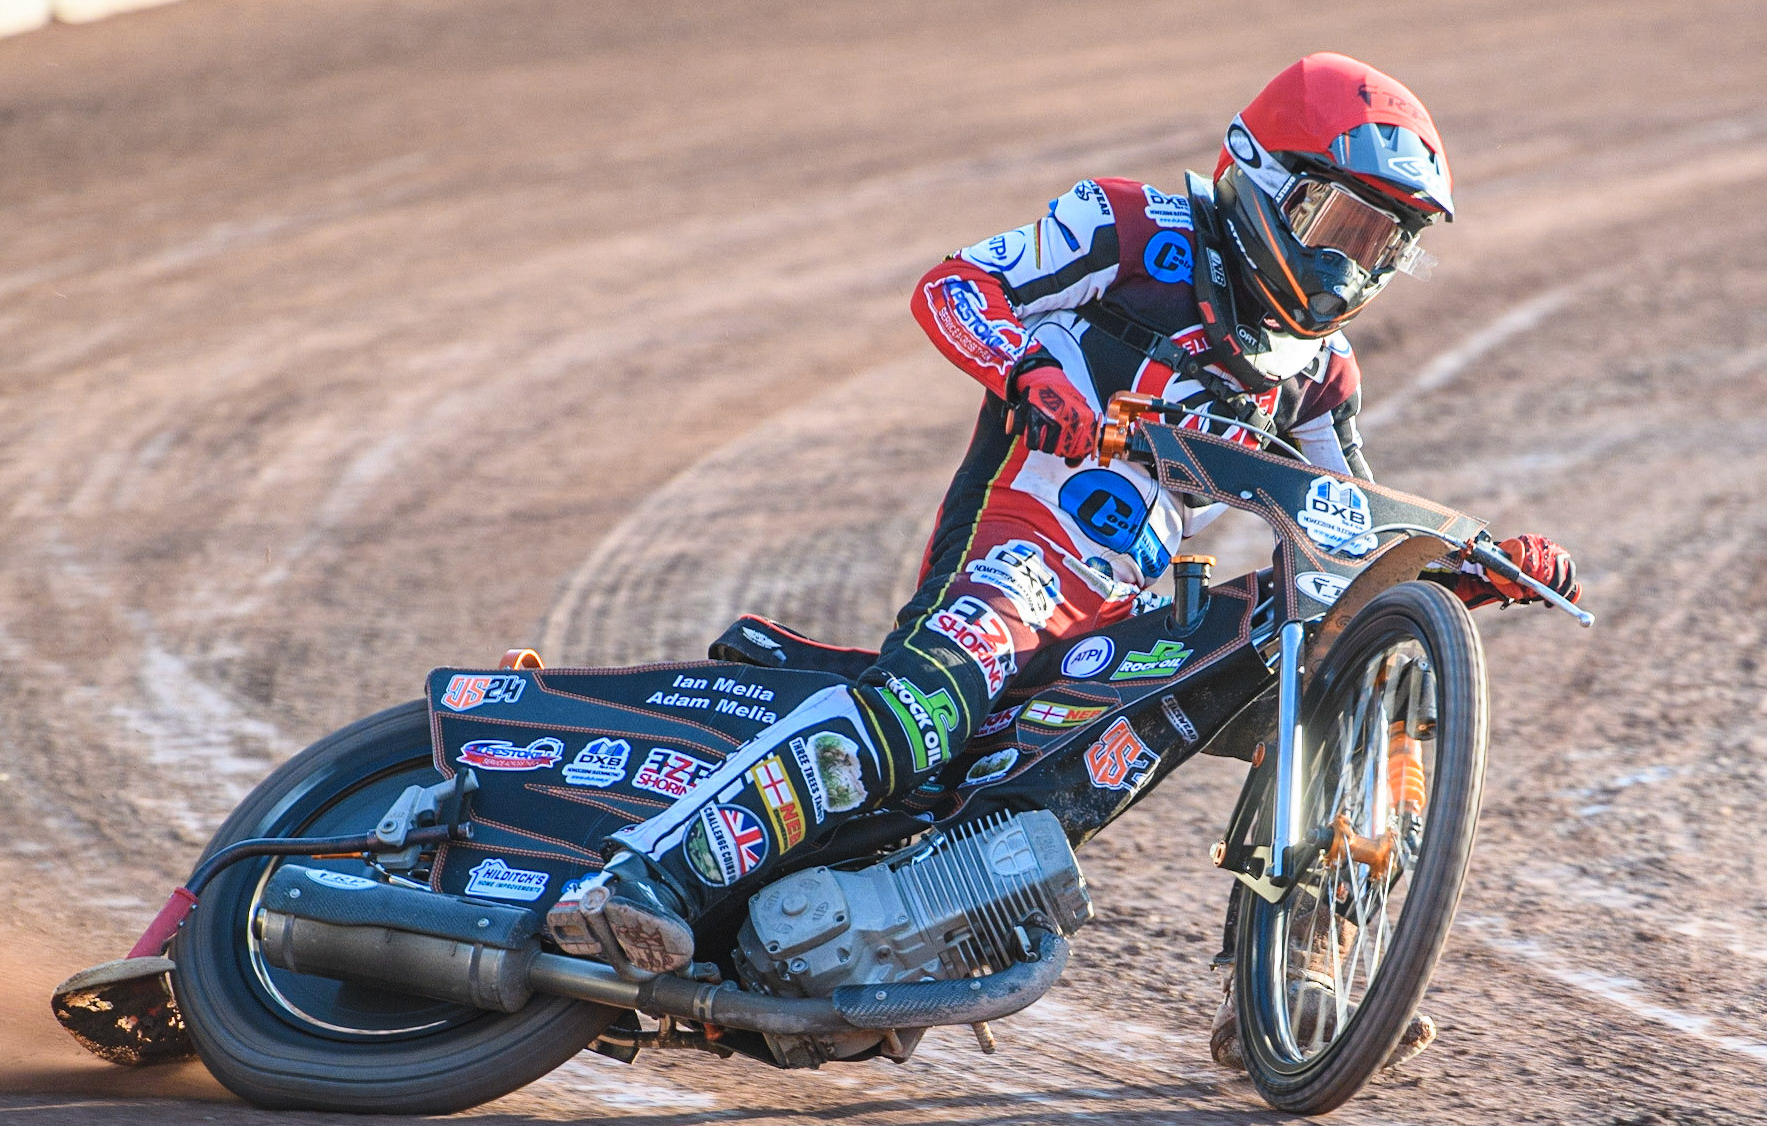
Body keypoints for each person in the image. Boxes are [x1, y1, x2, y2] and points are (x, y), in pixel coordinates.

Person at [548, 52, 1580, 1070]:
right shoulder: (1128, 229)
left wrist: (1458, 569)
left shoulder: (1318, 375)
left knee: (1341, 660)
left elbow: (1347, 523)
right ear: (1264, 177)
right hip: (1018, 549)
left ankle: (1303, 977)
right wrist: (1026, 365)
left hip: (1125, 603)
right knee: (923, 715)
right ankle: (647, 886)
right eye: (1340, 227)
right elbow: (957, 285)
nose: (1350, 266)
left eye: (1381, 245)